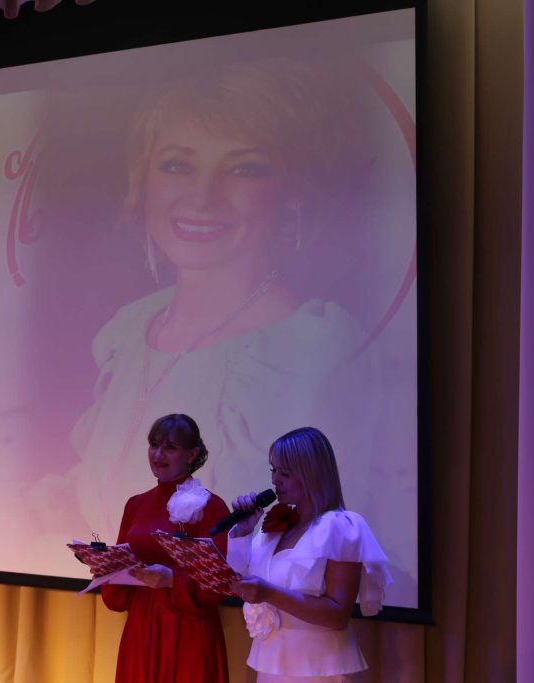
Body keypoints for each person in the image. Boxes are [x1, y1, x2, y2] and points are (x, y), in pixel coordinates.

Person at [70, 61, 385, 547]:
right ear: (141, 179)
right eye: (178, 165)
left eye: (243, 169)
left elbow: (319, 539)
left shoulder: (314, 350)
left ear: (292, 192)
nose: (202, 198)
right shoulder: (127, 331)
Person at [226, 427, 392, 682]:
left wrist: (269, 593)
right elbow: (241, 578)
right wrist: (243, 531)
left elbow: (338, 615)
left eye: (285, 473)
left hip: (321, 668)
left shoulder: (340, 526)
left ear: (312, 474)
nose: (275, 480)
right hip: (271, 665)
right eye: (273, 470)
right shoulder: (276, 527)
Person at [101, 414, 231, 683]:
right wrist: (106, 567)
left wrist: (171, 579)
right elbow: (117, 590)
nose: (158, 454)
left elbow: (217, 582)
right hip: (142, 626)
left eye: (170, 447)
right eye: (154, 444)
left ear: (192, 454)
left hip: (188, 630)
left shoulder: (211, 506)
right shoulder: (136, 504)